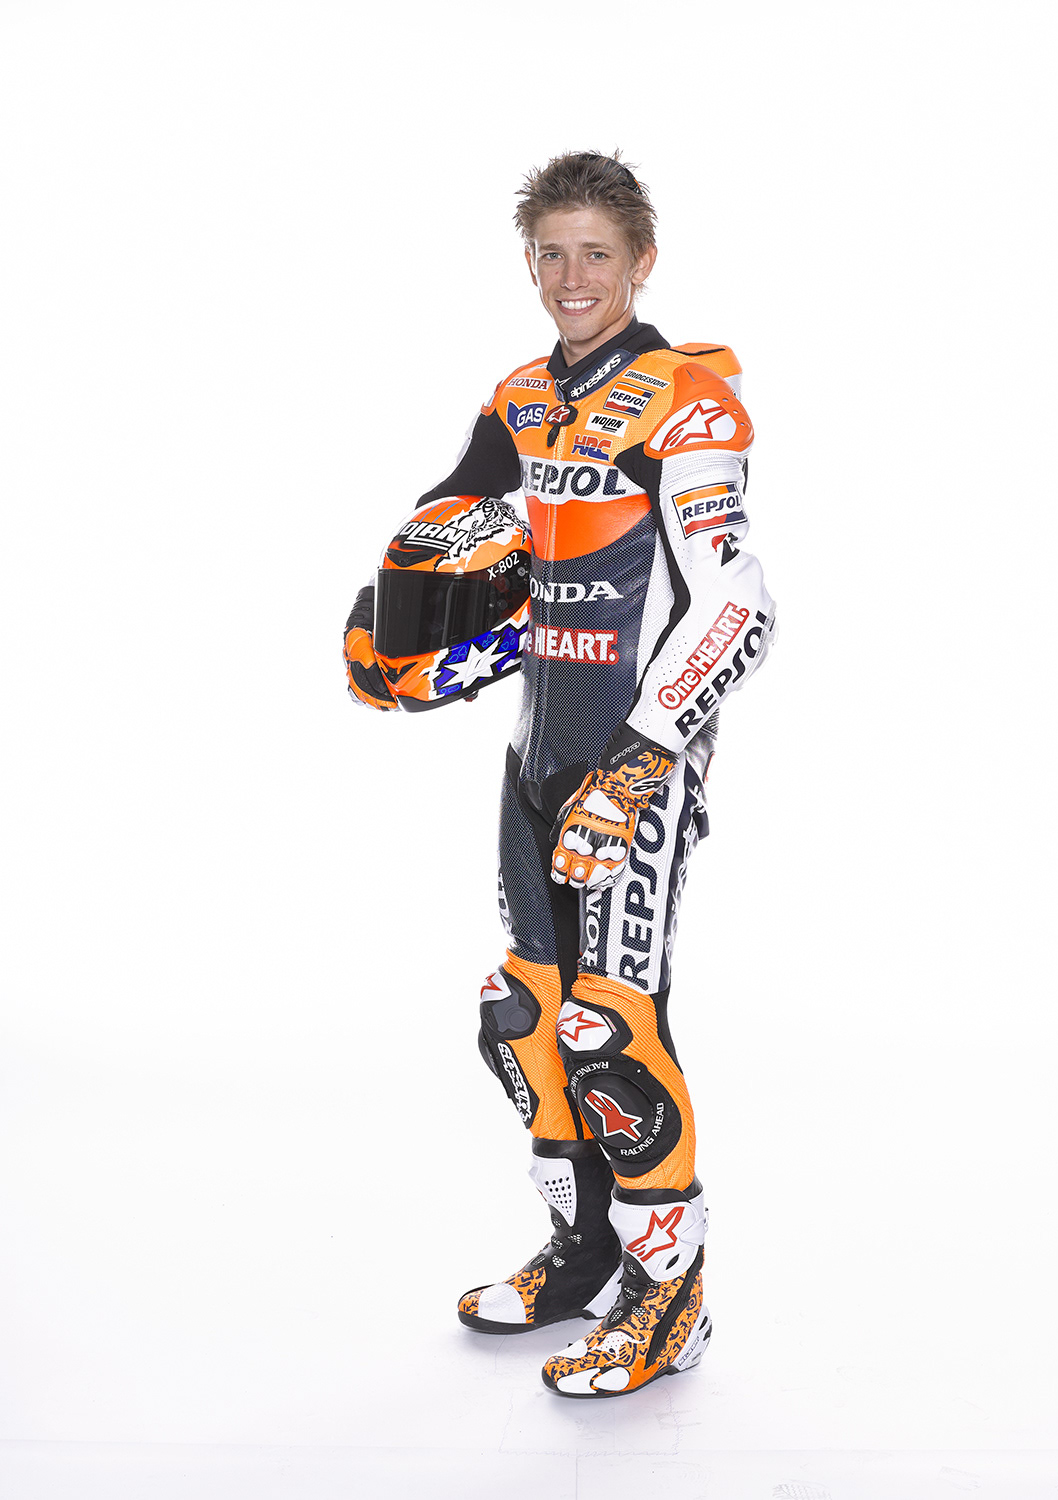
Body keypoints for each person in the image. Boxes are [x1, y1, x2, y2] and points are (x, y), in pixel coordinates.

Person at [343, 151, 776, 1399]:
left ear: (642, 261)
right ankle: (585, 1257)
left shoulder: (687, 401)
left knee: (610, 1038)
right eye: (551, 253)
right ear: (528, 261)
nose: (572, 276)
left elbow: (740, 606)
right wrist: (401, 640)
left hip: (631, 765)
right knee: (527, 1014)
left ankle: (670, 1302)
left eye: (597, 253)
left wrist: (639, 766)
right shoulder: (522, 397)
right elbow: (449, 526)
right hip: (533, 756)